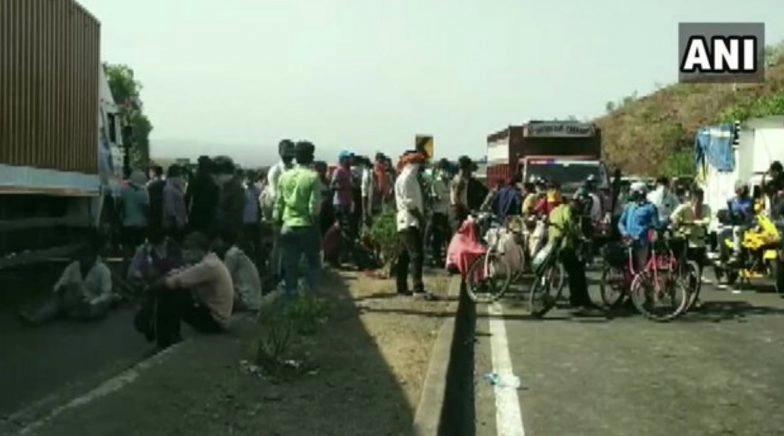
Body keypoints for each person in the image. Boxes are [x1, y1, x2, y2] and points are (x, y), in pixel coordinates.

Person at [140, 232, 234, 348]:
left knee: (174, 293)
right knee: (173, 290)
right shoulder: (208, 261)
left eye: (188, 249)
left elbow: (175, 281)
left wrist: (148, 292)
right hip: (214, 314)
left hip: (215, 321)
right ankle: (169, 335)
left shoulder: (208, 266)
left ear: (199, 250)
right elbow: (179, 272)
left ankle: (164, 341)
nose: (185, 253)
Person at [20, 232, 115, 324]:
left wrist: (93, 303)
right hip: (72, 300)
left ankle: (75, 312)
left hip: (90, 303)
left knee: (99, 305)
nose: (83, 258)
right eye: (82, 255)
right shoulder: (73, 267)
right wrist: (61, 290)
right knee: (59, 297)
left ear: (93, 256)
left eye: (87, 255)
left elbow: (106, 293)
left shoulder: (103, 270)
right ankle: (35, 316)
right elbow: (59, 285)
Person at [274, 141, 322, 299]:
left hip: (287, 226)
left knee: (290, 266)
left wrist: (277, 222)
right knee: (313, 264)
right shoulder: (313, 177)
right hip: (307, 226)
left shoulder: (284, 176)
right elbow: (313, 208)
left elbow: (278, 205)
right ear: (311, 157)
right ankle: (312, 298)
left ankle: (291, 301)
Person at [547, 193, 600, 315]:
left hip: (552, 245)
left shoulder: (554, 211)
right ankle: (579, 300)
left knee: (575, 270)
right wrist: (582, 237)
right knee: (577, 271)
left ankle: (579, 299)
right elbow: (571, 225)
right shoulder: (567, 210)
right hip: (564, 246)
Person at [394, 151, 429, 297]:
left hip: (405, 220)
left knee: (404, 256)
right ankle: (417, 288)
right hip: (410, 220)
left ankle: (401, 287)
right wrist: (421, 219)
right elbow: (410, 204)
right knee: (416, 254)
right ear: (415, 164)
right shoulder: (408, 178)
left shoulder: (405, 177)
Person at [670, 187, 712, 296]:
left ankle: (693, 294)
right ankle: (672, 282)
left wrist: (698, 222)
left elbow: (707, 220)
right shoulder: (684, 207)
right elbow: (673, 217)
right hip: (684, 239)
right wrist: (677, 222)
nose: (698, 200)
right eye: (696, 197)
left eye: (701, 197)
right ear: (692, 198)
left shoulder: (705, 208)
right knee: (676, 264)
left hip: (698, 242)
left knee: (697, 270)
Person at [618, 182, 660, 273]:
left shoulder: (650, 208)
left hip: (642, 242)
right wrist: (624, 233)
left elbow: (656, 225)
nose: (630, 193)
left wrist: (648, 231)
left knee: (641, 268)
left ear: (640, 193)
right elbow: (621, 223)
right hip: (628, 241)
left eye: (633, 191)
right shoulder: (629, 206)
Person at [212, 157, 246, 246]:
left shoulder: (236, 190)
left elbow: (235, 217)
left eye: (216, 175)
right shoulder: (224, 188)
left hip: (229, 237)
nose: (213, 178)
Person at [221, 243, 262, 312]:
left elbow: (223, 279)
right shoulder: (238, 254)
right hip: (253, 300)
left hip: (247, 301)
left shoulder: (231, 255)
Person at [117, 169, 149, 256]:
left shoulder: (124, 191)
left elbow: (120, 206)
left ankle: (126, 266)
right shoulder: (144, 193)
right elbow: (146, 209)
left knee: (127, 250)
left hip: (127, 225)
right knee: (140, 251)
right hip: (141, 225)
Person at [332, 150, 355, 266]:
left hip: (347, 202)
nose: (349, 161)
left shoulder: (348, 171)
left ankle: (345, 255)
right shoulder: (338, 171)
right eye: (347, 159)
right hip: (339, 203)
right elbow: (333, 185)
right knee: (341, 230)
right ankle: (339, 256)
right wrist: (342, 187)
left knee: (347, 230)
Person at [185, 156, 219, 234]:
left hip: (196, 213)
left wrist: (186, 212)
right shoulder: (213, 181)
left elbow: (188, 197)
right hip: (209, 215)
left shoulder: (195, 179)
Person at [430, 159, 452, 265]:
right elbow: (436, 197)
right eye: (443, 169)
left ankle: (449, 258)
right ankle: (436, 258)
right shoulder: (435, 182)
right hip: (438, 212)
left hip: (448, 212)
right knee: (438, 237)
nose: (445, 172)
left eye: (446, 169)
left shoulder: (451, 182)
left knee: (448, 236)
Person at [162, 165, 188, 242]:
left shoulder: (175, 188)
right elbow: (170, 207)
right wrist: (175, 220)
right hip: (174, 224)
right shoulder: (170, 189)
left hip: (178, 221)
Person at [242, 169, 262, 264]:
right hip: (244, 222)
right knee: (245, 245)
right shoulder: (242, 189)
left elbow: (259, 205)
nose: (250, 179)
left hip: (254, 222)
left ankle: (259, 264)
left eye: (252, 177)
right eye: (249, 177)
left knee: (257, 244)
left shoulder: (257, 190)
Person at [450, 156, 474, 226]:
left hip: (457, 211)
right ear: (466, 167)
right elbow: (456, 197)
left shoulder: (456, 178)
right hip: (459, 212)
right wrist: (465, 209)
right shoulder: (461, 181)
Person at [147, 165, 166, 235]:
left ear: (154, 173)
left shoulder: (151, 184)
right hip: (162, 208)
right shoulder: (164, 183)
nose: (149, 173)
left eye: (150, 172)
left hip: (153, 207)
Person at [360, 156, 375, 226]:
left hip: (367, 194)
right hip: (364, 194)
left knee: (367, 213)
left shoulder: (369, 171)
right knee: (364, 214)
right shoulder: (365, 171)